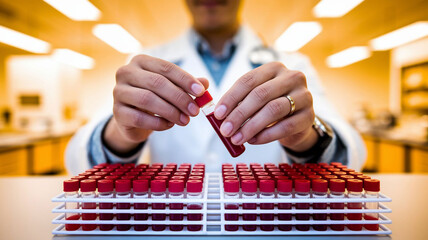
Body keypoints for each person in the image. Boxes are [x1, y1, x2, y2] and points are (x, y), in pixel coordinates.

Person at [66, 0, 366, 175]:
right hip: (174, 223)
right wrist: (122, 133)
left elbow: (350, 155)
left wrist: (308, 136)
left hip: (266, 223)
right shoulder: (145, 64)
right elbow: (77, 158)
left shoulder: (290, 64)